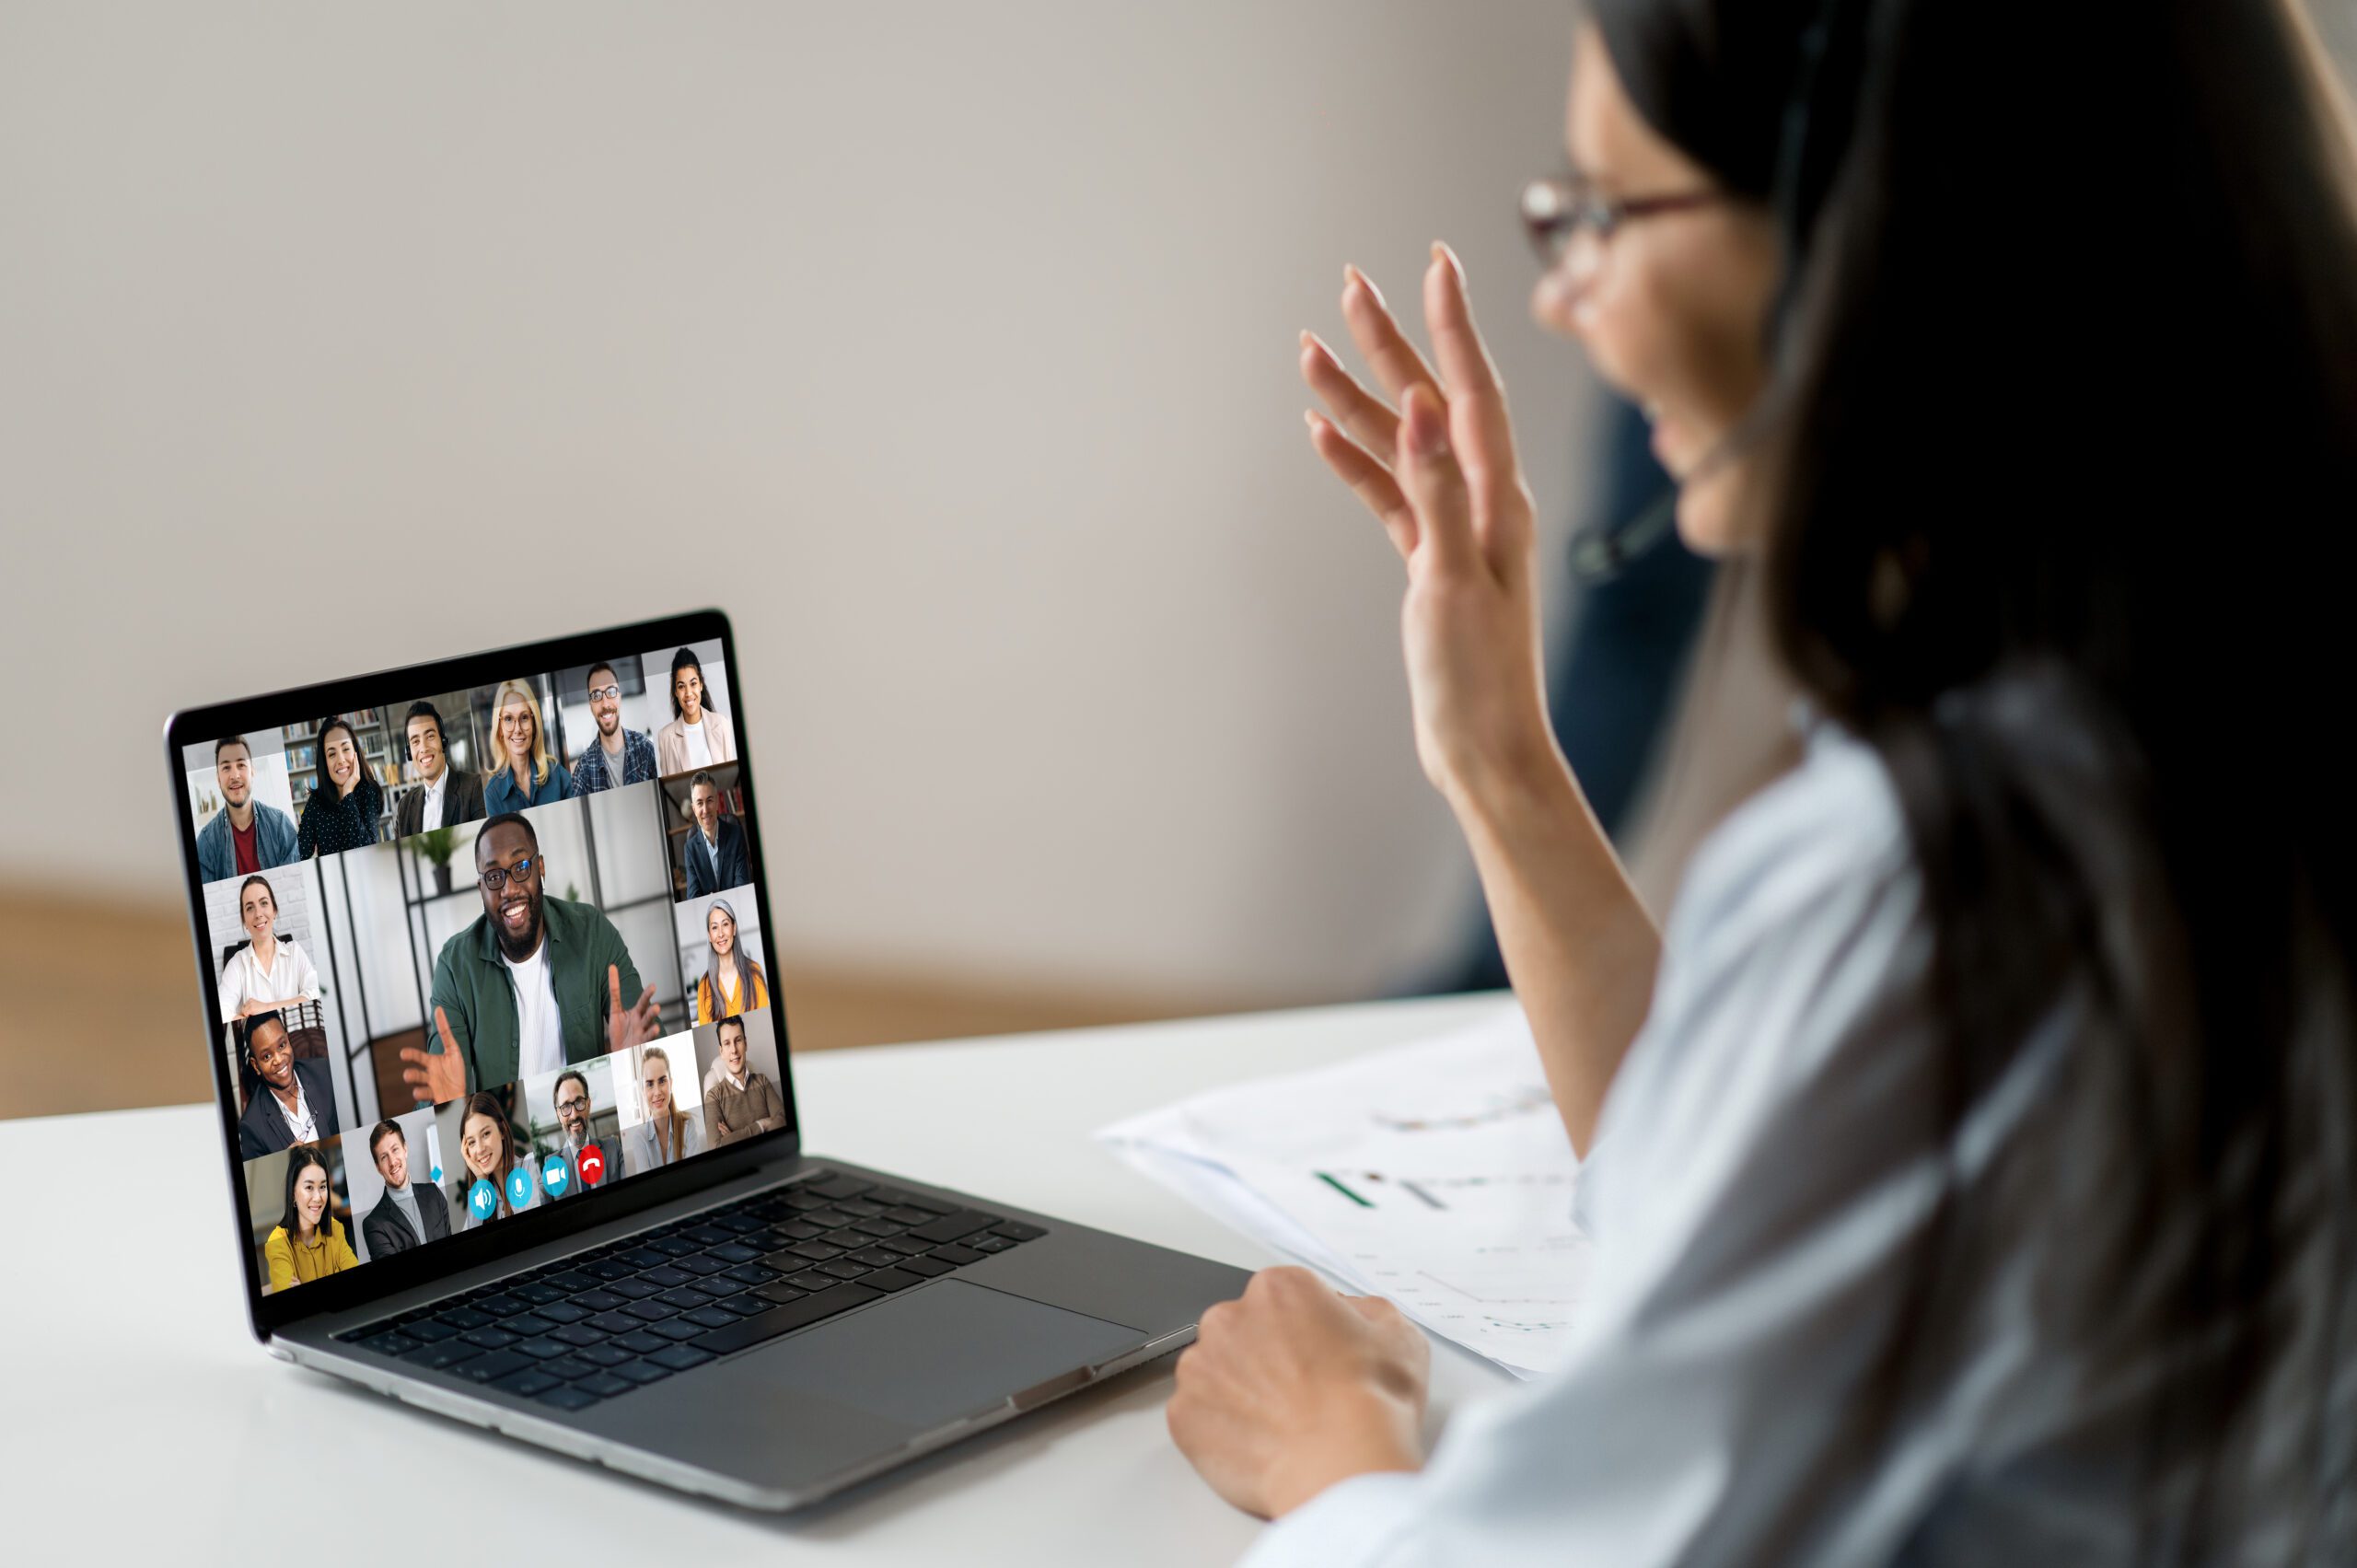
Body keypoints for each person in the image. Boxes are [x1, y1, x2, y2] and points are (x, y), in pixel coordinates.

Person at [1171, 2, 2357, 1561]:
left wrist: (1339, 1457)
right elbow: (1755, 1165)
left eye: (1605, 212)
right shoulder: (2203, 739)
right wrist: (1501, 759)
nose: (1565, 302)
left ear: (1877, 230)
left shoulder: (1944, 886)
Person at [399, 812, 664, 1103]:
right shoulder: (454, 967)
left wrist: (630, 1060)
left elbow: (648, 1043)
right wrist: (446, 1103)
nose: (509, 889)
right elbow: (440, 1084)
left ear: (541, 868)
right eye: (494, 876)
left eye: (521, 867)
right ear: (482, 889)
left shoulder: (592, 932)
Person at [215, 874, 320, 1024]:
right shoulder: (237, 964)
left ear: (274, 910)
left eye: (264, 903)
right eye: (250, 908)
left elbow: (315, 992)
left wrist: (266, 1008)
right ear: (244, 920)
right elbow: (221, 1012)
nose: (258, 914)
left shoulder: (294, 951)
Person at [236, 1012, 341, 1158]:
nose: (278, 1059)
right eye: (267, 1056)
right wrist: (285, 1161)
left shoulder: (325, 1073)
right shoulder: (251, 1127)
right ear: (256, 1066)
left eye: (281, 1045)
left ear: (288, 1040)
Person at [194, 736, 299, 881]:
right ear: (218, 779)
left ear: (252, 771)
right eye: (226, 767)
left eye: (241, 765)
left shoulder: (281, 826)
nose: (235, 775)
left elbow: (294, 886)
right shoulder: (206, 843)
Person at [262, 1143, 359, 1289]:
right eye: (309, 1187)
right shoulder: (277, 1242)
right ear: (293, 1192)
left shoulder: (335, 1228)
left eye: (322, 1187)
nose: (318, 1197)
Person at [359, 1118, 452, 1257]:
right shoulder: (373, 1225)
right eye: (384, 1157)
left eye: (395, 1150)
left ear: (405, 1149)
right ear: (378, 1168)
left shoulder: (434, 1194)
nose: (392, 1162)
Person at [392, 700, 485, 837]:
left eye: (430, 736)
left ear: (443, 741)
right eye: (415, 741)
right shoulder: (404, 806)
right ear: (409, 752)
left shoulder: (474, 787)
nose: (423, 748)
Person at [446, 1092, 539, 1230]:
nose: (480, 1149)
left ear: (502, 1130)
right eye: (471, 1143)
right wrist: (481, 1181)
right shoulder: (487, 1195)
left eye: (486, 1134)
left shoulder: (531, 1166)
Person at [295, 714, 382, 857]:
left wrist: (348, 794)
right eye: (332, 754)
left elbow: (367, 850)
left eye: (346, 749)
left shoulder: (369, 792)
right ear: (325, 762)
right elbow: (299, 853)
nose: (341, 760)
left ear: (355, 752)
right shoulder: (316, 802)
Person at [482, 679, 573, 814]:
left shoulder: (557, 774)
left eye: (524, 717)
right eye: (508, 719)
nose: (517, 729)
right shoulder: (492, 794)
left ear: (534, 723)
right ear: (500, 729)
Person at [569, 661, 659, 794]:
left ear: (619, 698)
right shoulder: (584, 768)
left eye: (611, 691)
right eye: (596, 695)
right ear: (591, 706)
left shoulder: (645, 749)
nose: (605, 704)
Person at [702, 1015, 785, 1146]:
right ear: (721, 1051)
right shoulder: (714, 1096)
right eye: (727, 1043)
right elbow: (716, 1146)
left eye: (738, 1040)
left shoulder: (762, 1081)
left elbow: (783, 1119)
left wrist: (734, 1137)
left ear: (745, 1044)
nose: (734, 1050)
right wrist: (761, 1125)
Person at [622, 1042, 702, 1174]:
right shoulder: (640, 1138)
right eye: (649, 1084)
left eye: (662, 1081)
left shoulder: (688, 1125)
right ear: (643, 1091)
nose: (657, 1091)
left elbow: (695, 1174)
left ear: (670, 1084)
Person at [654, 647, 735, 774]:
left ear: (701, 684)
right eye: (681, 686)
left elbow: (732, 777)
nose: (688, 693)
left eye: (693, 684)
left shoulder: (721, 724)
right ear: (675, 691)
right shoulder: (666, 738)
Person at [546, 1067, 624, 1195]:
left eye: (579, 1102)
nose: (574, 1114)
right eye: (565, 1107)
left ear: (588, 1105)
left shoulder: (613, 1149)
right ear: (558, 1115)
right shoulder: (551, 1166)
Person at [691, 896, 768, 1026]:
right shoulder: (703, 987)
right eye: (715, 927)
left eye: (725, 924)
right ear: (709, 935)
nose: (720, 934)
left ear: (734, 928)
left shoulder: (755, 972)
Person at [679, 771, 750, 897]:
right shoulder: (690, 849)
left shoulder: (736, 835)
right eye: (700, 803)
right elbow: (694, 897)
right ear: (694, 809)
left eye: (710, 800)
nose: (705, 810)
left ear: (717, 802)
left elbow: (743, 887)